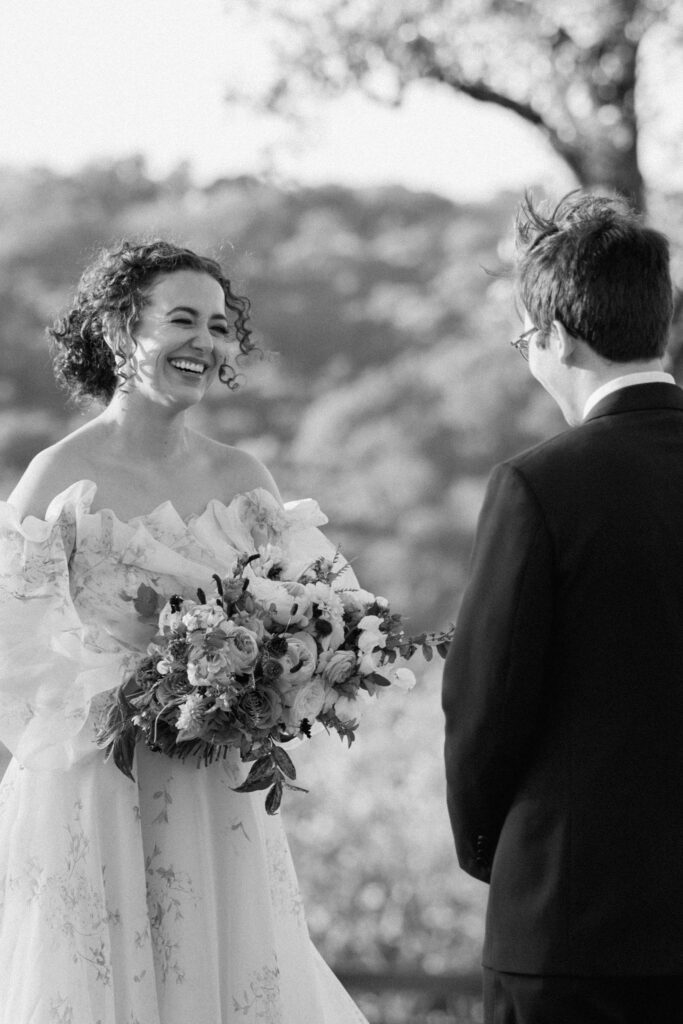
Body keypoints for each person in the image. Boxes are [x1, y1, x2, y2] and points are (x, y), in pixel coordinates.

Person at [0, 240, 368, 1024]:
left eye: (220, 325)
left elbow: (312, 620)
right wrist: (135, 688)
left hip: (217, 791)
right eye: (181, 320)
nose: (206, 341)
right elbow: (10, 652)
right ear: (117, 331)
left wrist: (270, 685)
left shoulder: (246, 482)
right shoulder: (58, 479)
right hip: (98, 792)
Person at [442, 191, 683, 1023]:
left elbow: (483, 704)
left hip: (573, 924)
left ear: (554, 336)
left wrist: (490, 852)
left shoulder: (539, 485)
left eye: (523, 340)